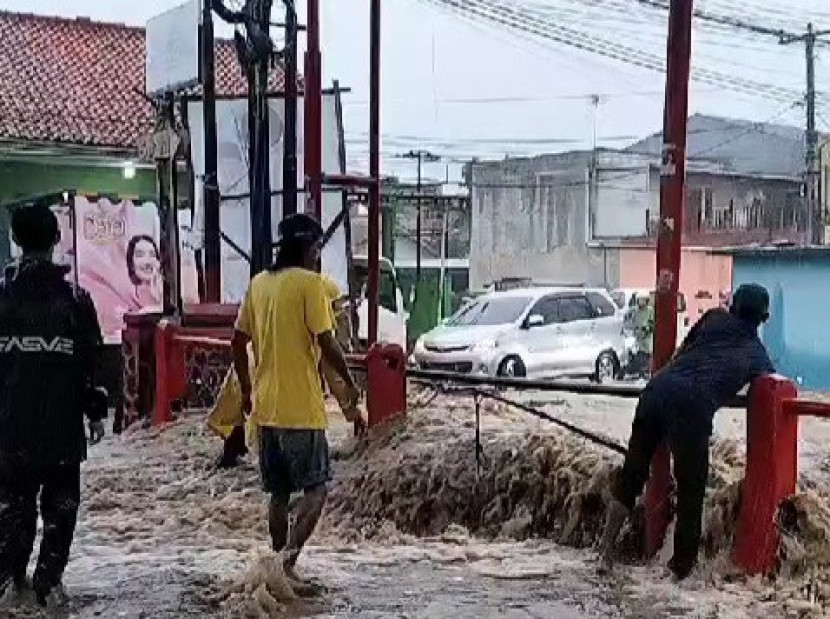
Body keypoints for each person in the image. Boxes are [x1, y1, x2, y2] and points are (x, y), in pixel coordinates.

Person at [600, 284, 775, 580]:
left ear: (732, 306)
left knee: (632, 475)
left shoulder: (714, 318)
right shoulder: (758, 356)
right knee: (691, 493)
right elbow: (771, 387)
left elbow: (684, 351)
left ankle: (604, 554)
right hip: (692, 408)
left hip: (656, 389)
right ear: (764, 318)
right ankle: (678, 573)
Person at [231, 213, 361, 581]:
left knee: (278, 494)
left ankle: (276, 565)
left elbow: (237, 341)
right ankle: (287, 563)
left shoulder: (259, 284)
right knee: (316, 490)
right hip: (301, 410)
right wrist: (350, 382)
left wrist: (245, 389)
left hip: (265, 411)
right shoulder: (310, 285)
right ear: (310, 247)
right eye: (318, 247)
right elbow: (327, 341)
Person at [0, 205, 105, 606]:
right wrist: (95, 413)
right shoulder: (76, 299)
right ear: (56, 239)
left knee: (11, 508)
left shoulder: (1, 297)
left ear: (16, 240)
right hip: (61, 428)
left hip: (9, 427)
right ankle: (49, 585)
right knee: (61, 510)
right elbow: (91, 363)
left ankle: (10, 583)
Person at [125, 234, 162, 308]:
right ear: (131, 263)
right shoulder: (127, 296)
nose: (147, 261)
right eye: (140, 255)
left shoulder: (166, 293)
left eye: (152, 255)